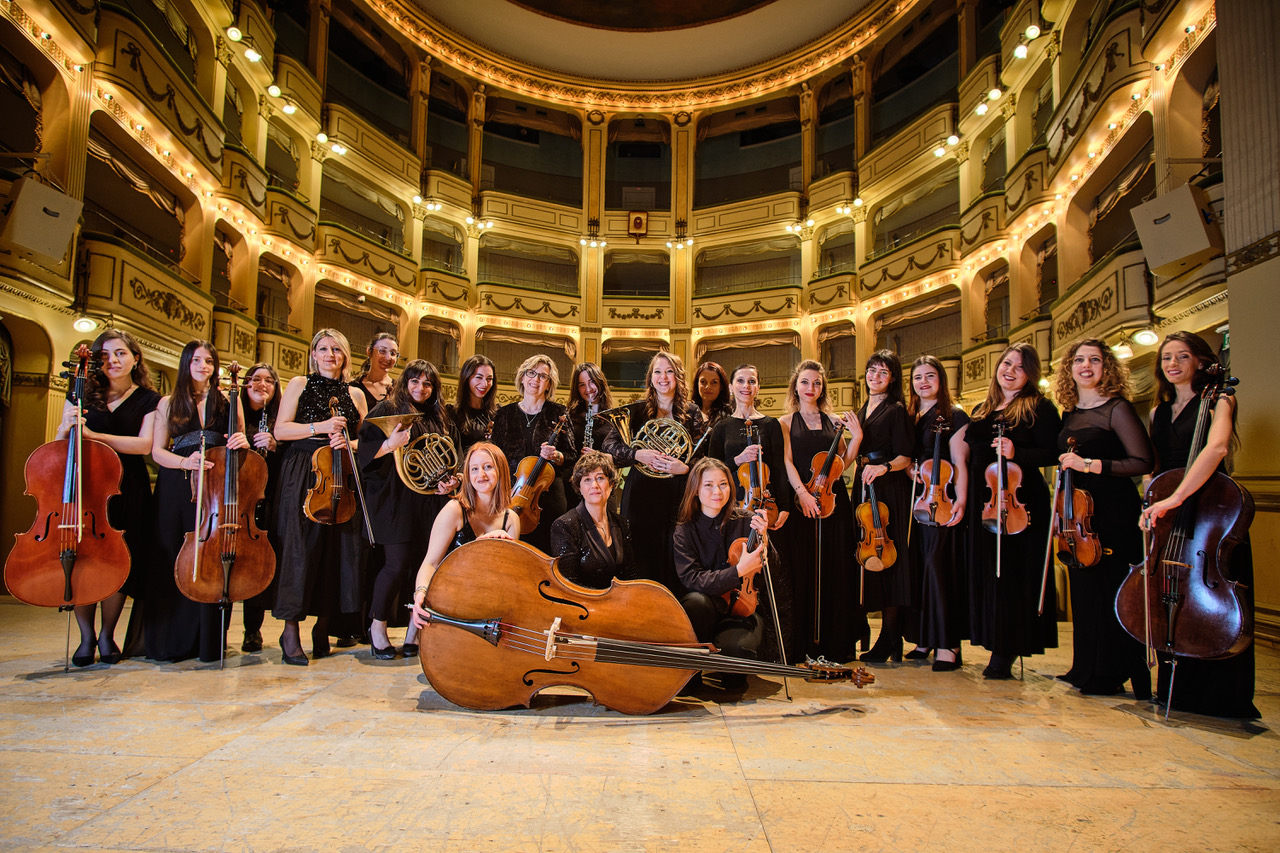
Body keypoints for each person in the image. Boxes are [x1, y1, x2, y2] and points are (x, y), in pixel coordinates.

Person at [1141, 331, 1257, 718]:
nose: (1172, 364)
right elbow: (1155, 466)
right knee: (1170, 592)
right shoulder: (1160, 410)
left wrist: (1178, 496)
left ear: (1200, 361)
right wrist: (1152, 499)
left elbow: (1217, 448)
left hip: (1211, 510)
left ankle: (1222, 694)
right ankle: (1175, 684)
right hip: (1171, 515)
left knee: (1211, 594)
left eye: (1182, 356)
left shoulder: (1221, 399)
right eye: (1167, 358)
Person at [1051, 339, 1153, 697]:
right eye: (1079, 360)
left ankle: (1111, 671)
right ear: (1070, 369)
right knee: (1085, 589)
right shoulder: (1070, 413)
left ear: (1105, 366)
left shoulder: (1117, 409)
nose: (1086, 366)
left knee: (1113, 590)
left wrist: (1091, 465)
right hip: (1078, 514)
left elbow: (1142, 462)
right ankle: (1086, 666)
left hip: (1112, 510)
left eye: (1094, 360)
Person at [55, 329, 161, 666]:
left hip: (127, 485)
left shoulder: (149, 399)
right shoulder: (81, 392)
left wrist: (94, 435)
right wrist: (66, 428)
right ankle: (87, 637)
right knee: (86, 560)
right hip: (86, 488)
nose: (111, 361)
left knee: (118, 561)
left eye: (119, 353)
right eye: (104, 355)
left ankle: (107, 634)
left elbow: (144, 446)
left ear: (135, 358)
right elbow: (61, 440)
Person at [142, 340, 249, 662]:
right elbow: (157, 450)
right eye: (197, 360)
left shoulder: (229, 400)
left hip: (216, 485)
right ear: (186, 363)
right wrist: (184, 463)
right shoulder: (167, 403)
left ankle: (208, 642)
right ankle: (170, 641)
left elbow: (239, 440)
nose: (204, 366)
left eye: (209, 361)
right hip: (176, 485)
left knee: (211, 557)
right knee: (175, 554)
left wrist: (241, 441)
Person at [272, 329, 369, 665]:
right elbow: (281, 430)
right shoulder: (299, 383)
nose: (330, 354)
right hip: (303, 471)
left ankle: (323, 628)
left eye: (337, 349)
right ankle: (290, 632)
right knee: (300, 550)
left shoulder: (356, 394)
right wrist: (320, 427)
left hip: (340, 474)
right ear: (313, 354)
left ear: (345, 356)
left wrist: (349, 444)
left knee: (338, 552)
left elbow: (365, 443)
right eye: (324, 349)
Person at [965, 342, 1061, 679]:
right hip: (984, 501)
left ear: (1030, 374)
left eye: (1019, 367)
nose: (1009, 370)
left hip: (1019, 502)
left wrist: (1016, 449)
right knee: (990, 575)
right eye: (1006, 363)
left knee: (1013, 576)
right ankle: (993, 639)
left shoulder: (1040, 408)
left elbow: (1053, 453)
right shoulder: (982, 409)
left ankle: (1006, 649)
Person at [357, 360, 458, 659]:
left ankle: (415, 631)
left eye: (427, 384)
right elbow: (364, 455)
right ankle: (378, 627)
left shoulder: (439, 416)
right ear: (405, 382)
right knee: (396, 565)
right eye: (415, 382)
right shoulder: (386, 410)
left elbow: (455, 454)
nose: (420, 388)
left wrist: (452, 479)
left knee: (423, 566)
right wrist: (390, 444)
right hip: (394, 500)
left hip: (430, 500)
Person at [779, 359, 862, 662]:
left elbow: (841, 465)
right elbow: (786, 462)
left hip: (833, 503)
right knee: (803, 568)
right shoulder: (786, 422)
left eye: (816, 383)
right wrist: (801, 493)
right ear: (796, 386)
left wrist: (857, 438)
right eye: (805, 382)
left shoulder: (834, 422)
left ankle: (834, 644)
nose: (811, 388)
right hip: (803, 500)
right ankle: (802, 645)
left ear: (823, 386)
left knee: (835, 569)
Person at [604, 351, 704, 592]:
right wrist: (638, 454)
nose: (663, 377)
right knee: (640, 552)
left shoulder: (692, 413)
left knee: (674, 551)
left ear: (678, 377)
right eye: (657, 372)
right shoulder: (637, 411)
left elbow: (705, 457)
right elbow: (608, 447)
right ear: (650, 378)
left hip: (677, 491)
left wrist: (686, 467)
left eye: (669, 371)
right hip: (641, 491)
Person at [673, 457, 768, 689]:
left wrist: (764, 539)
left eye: (723, 484)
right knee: (696, 602)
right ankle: (691, 669)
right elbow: (692, 579)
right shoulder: (684, 530)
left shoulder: (746, 521)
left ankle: (730, 657)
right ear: (695, 489)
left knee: (736, 671)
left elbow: (770, 571)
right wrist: (738, 571)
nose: (717, 491)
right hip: (704, 611)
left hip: (741, 609)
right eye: (709, 485)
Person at [903, 356, 970, 672]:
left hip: (944, 502)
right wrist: (913, 473)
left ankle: (949, 644)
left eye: (930, 376)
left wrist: (962, 500)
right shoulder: (913, 418)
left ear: (941, 380)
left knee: (938, 567)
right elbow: (910, 461)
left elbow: (960, 462)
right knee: (920, 568)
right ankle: (925, 638)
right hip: (918, 501)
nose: (924, 382)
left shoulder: (955, 416)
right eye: (918, 377)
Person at [409, 442, 520, 627]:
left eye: (488, 467)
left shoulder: (511, 519)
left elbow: (507, 577)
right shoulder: (454, 510)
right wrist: (420, 592)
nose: (481, 475)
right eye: (474, 469)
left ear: (501, 470)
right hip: (451, 602)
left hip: (488, 607)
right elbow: (431, 562)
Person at [855, 350, 915, 663]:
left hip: (889, 488)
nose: (875, 377)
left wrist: (883, 468)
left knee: (891, 562)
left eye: (883, 372)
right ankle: (869, 631)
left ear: (892, 378)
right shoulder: (863, 408)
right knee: (868, 558)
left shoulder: (896, 410)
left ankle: (890, 638)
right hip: (866, 486)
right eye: (872, 370)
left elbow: (905, 456)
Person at [489, 355, 577, 553]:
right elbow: (495, 456)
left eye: (543, 376)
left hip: (548, 497)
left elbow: (572, 457)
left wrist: (557, 456)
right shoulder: (505, 414)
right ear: (522, 377)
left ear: (549, 384)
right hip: (512, 494)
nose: (535, 380)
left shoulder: (559, 413)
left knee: (548, 552)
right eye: (531, 373)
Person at [707, 364, 792, 531]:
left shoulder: (771, 424)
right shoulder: (721, 427)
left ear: (758, 387)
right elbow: (712, 470)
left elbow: (779, 468)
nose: (746, 386)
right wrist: (739, 459)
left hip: (765, 503)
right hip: (730, 502)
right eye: (740, 381)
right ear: (731, 387)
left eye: (752, 381)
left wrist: (784, 506)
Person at [239, 362, 284, 654]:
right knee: (246, 565)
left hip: (273, 497)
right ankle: (251, 630)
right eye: (255, 379)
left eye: (269, 380)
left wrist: (276, 444)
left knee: (269, 563)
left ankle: (280, 627)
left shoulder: (280, 418)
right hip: (241, 500)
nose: (262, 385)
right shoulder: (235, 415)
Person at [549, 450, 636, 589]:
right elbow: (569, 584)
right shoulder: (565, 525)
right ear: (580, 488)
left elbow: (631, 574)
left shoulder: (622, 523)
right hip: (583, 606)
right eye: (587, 480)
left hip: (619, 603)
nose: (594, 485)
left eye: (600, 478)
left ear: (611, 483)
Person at [448, 354, 497, 456]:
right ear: (466, 378)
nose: (485, 384)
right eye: (479, 377)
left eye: (489, 379)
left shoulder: (497, 413)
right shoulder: (453, 414)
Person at [566, 361, 617, 454]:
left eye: (592, 382)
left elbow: (619, 457)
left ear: (600, 382)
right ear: (577, 389)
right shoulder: (570, 417)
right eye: (582, 385)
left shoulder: (613, 419)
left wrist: (597, 456)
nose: (588, 389)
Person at [351, 332, 398, 411]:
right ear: (369, 352)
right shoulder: (354, 386)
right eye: (382, 351)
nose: (388, 358)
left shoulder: (399, 388)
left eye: (393, 353)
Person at [691, 361, 732, 433]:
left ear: (721, 386)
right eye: (703, 382)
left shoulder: (729, 415)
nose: (708, 387)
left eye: (714, 382)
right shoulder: (688, 412)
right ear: (697, 384)